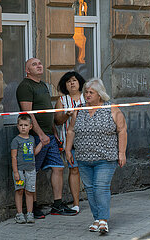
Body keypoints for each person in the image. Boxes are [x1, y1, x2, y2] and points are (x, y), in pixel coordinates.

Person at [16, 58, 77, 218]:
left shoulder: (43, 85)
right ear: (27, 70)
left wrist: (54, 133)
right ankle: (32, 208)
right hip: (34, 137)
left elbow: (48, 112)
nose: (39, 66)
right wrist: (41, 135)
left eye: (40, 63)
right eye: (34, 64)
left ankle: (57, 205)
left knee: (58, 167)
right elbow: (28, 113)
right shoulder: (25, 86)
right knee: (31, 172)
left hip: (49, 136)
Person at [65, 78, 127, 234]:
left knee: (101, 187)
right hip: (83, 157)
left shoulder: (112, 109)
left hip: (106, 157)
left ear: (100, 94)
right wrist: (67, 149)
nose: (87, 95)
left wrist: (122, 153)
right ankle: (97, 219)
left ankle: (104, 220)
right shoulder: (79, 110)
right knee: (90, 189)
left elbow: (122, 130)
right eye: (86, 92)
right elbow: (71, 130)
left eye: (91, 92)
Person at [54, 71, 85, 212]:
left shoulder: (87, 97)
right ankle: (76, 204)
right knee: (74, 169)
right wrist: (67, 114)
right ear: (64, 85)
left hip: (89, 140)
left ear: (79, 82)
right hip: (69, 142)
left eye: (74, 80)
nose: (72, 83)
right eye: (68, 81)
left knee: (93, 170)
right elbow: (57, 121)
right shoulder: (62, 100)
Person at [11, 114, 44, 223]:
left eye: (26, 125)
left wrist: (41, 144)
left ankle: (30, 213)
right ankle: (19, 214)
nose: (23, 127)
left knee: (30, 191)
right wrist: (16, 172)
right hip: (20, 171)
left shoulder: (32, 139)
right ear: (17, 126)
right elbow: (13, 157)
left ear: (30, 127)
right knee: (19, 190)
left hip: (31, 171)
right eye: (21, 125)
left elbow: (33, 153)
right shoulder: (16, 141)